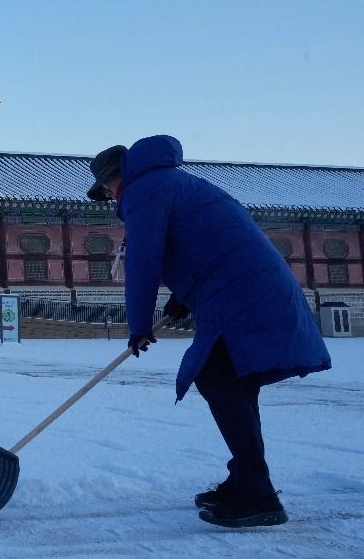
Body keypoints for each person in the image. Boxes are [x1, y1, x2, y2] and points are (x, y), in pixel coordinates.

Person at [87, 135, 331, 528]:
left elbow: (144, 261)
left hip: (242, 293)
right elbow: (204, 243)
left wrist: (139, 325)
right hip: (251, 287)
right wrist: (182, 296)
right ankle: (247, 481)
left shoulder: (142, 190)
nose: (109, 196)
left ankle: (258, 495)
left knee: (218, 376)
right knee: (230, 380)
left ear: (113, 177)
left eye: (105, 189)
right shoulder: (176, 183)